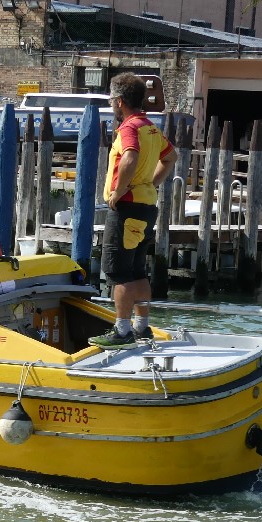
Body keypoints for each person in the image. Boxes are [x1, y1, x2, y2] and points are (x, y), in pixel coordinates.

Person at [89, 73, 178, 349]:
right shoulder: (150, 128)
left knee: (118, 271)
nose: (111, 106)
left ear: (119, 102)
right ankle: (142, 326)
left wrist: (119, 190)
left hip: (127, 208)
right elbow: (171, 157)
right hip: (146, 207)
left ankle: (122, 330)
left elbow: (130, 155)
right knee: (138, 269)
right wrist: (151, 182)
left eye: (111, 101)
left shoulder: (129, 127)